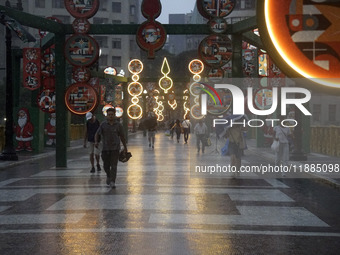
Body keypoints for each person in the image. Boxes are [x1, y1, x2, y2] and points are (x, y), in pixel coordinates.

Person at [95, 108, 127, 188]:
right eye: (109, 115)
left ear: (114, 115)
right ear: (107, 115)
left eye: (112, 115)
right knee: (106, 165)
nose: (110, 116)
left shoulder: (118, 125)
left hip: (115, 148)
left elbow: (122, 136)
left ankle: (113, 181)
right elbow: (97, 134)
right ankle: (108, 175)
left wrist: (125, 147)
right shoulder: (103, 124)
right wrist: (96, 142)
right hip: (105, 148)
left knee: (114, 166)